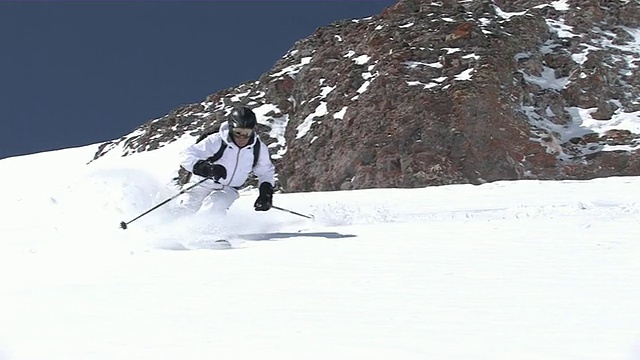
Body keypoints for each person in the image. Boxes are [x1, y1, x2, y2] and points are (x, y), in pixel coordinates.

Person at [178, 106, 276, 216]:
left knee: (215, 206)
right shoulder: (217, 140)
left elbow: (266, 173)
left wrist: (265, 194)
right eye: (238, 132)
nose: (242, 137)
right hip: (202, 183)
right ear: (230, 128)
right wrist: (206, 168)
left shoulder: (258, 148)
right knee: (184, 211)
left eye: (247, 133)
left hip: (228, 189)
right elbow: (186, 155)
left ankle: (205, 231)